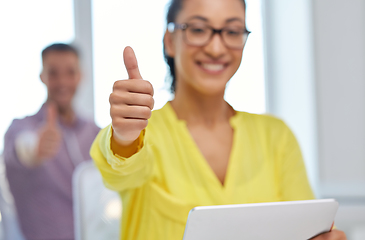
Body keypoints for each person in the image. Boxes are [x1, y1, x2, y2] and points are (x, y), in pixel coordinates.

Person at [90, 0, 347, 239]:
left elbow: (306, 230)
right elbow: (118, 171)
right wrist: (124, 135)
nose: (216, 47)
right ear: (170, 40)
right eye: (199, 29)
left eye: (232, 32)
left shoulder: (276, 137)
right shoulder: (143, 133)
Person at [3, 43, 100, 240]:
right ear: (42, 76)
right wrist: (34, 148)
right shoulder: (24, 127)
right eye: (53, 73)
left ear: (80, 76)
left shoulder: (94, 133)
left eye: (70, 72)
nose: (62, 81)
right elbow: (20, 148)